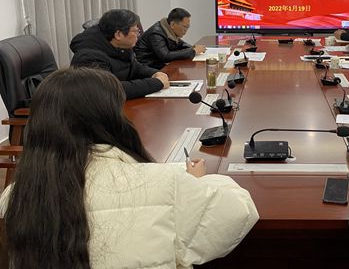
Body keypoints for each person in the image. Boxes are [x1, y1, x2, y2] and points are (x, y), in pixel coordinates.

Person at [0, 67, 259, 268]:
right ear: (111, 118)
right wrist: (197, 182)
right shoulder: (164, 183)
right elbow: (239, 211)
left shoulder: (13, 198)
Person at [70, 9, 169, 99]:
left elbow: (134, 67)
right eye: (135, 31)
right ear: (118, 34)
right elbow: (110, 90)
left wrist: (154, 73)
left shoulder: (120, 46)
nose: (138, 35)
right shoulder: (89, 57)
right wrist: (156, 83)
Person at [135, 8, 207, 69]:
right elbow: (165, 56)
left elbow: (180, 43)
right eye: (185, 27)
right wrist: (193, 51)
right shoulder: (156, 34)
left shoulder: (168, 30)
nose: (186, 30)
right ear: (172, 24)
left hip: (159, 65)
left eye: (188, 27)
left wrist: (193, 48)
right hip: (148, 68)